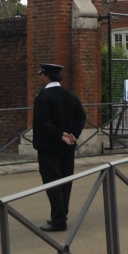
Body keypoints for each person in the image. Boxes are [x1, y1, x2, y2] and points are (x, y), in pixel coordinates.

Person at [32, 63, 86, 232]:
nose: (40, 78)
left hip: (49, 147)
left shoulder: (43, 96)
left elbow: (44, 122)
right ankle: (62, 214)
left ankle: (58, 220)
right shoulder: (70, 94)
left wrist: (59, 135)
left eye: (42, 75)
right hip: (68, 146)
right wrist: (73, 134)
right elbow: (81, 116)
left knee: (52, 182)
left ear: (47, 76)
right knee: (65, 181)